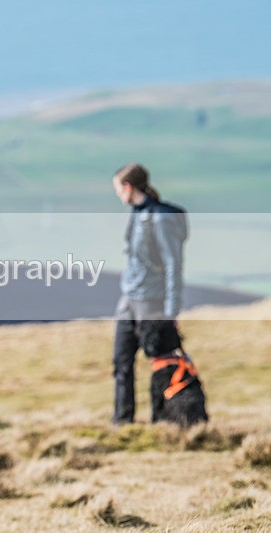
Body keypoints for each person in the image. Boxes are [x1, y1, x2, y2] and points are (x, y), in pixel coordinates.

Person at [111, 163, 188, 424]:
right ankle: (122, 422)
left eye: (118, 189)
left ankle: (166, 420)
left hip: (152, 302)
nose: (118, 195)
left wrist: (171, 310)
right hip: (128, 299)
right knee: (121, 362)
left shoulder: (160, 218)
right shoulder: (137, 213)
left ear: (128, 187)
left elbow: (173, 264)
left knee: (163, 364)